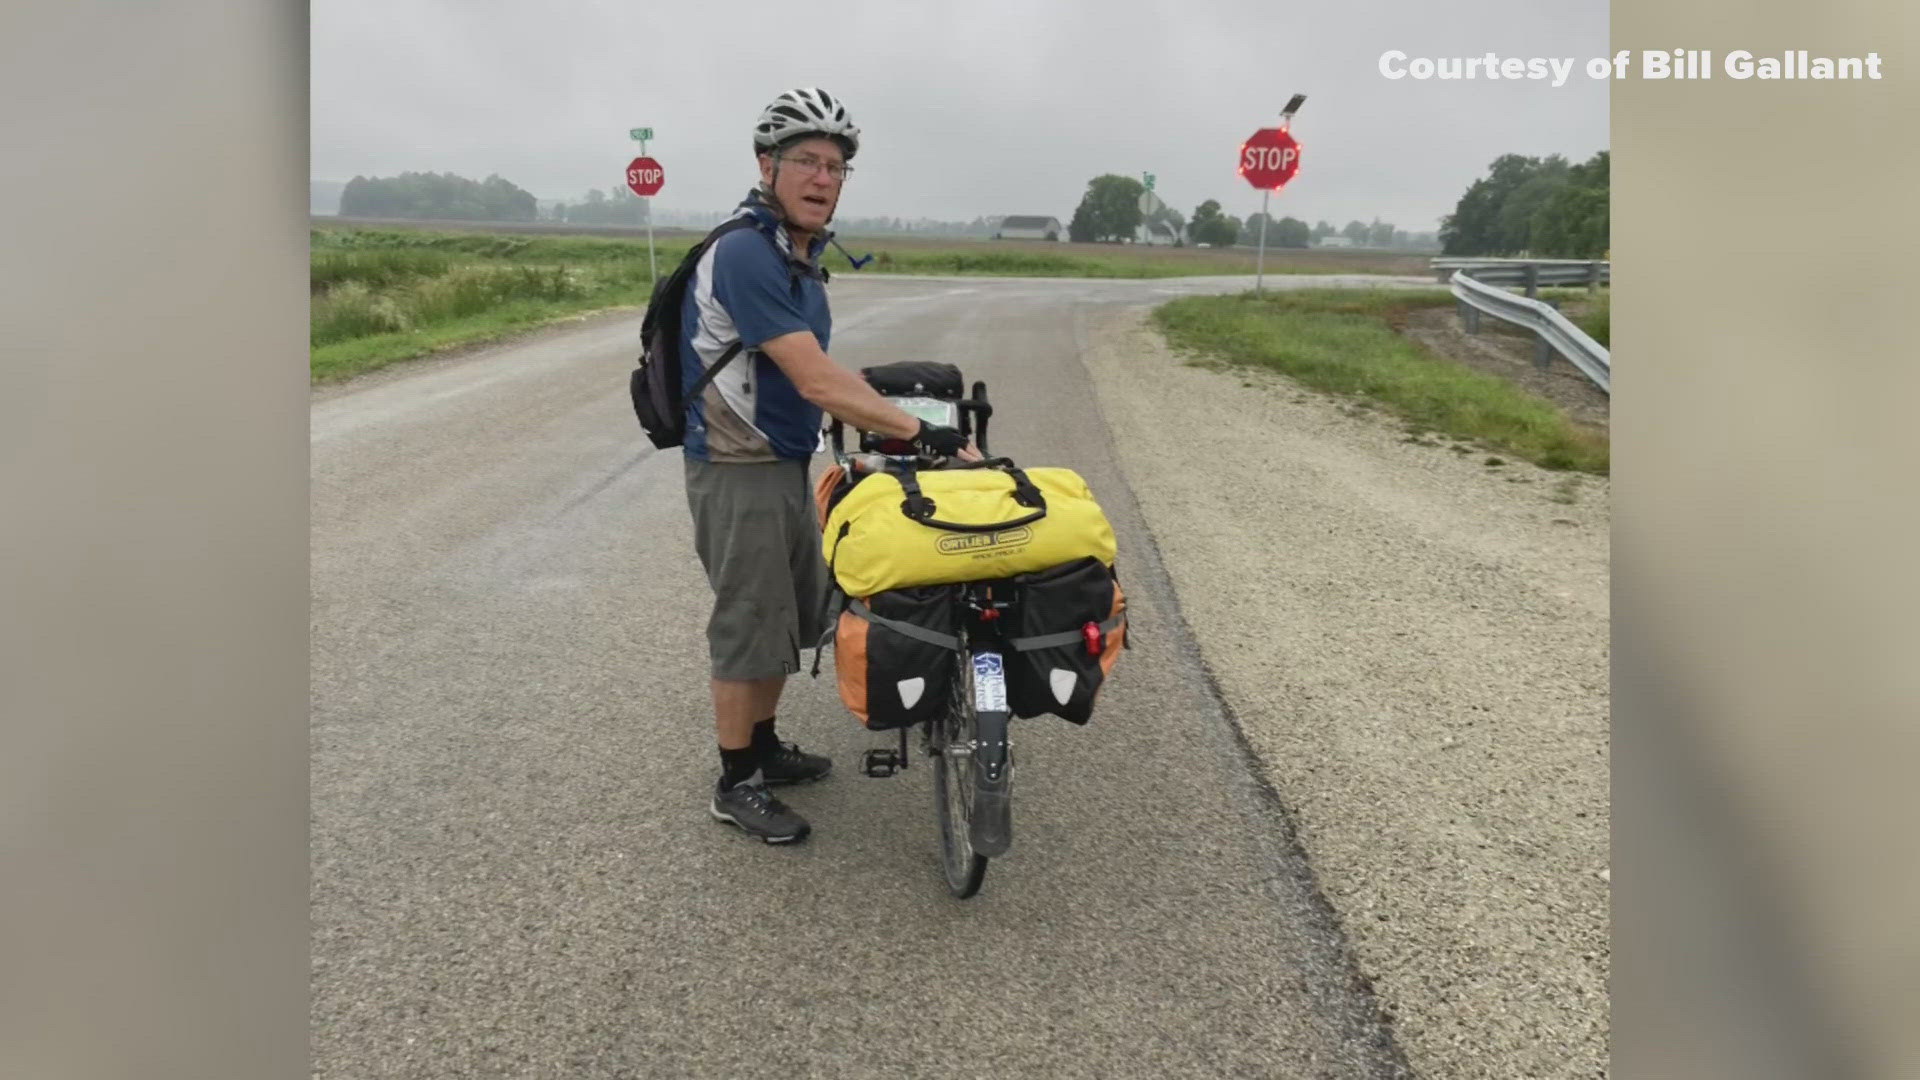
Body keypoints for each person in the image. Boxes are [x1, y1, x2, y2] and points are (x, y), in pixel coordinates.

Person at [682, 87, 979, 844]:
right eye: (806, 162)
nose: (822, 178)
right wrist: (923, 435)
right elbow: (814, 380)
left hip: (783, 462)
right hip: (735, 463)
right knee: (749, 620)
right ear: (766, 166)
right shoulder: (746, 252)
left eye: (836, 168)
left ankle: (765, 745)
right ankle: (735, 780)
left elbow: (817, 372)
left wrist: (882, 417)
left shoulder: (798, 258)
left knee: (790, 613)